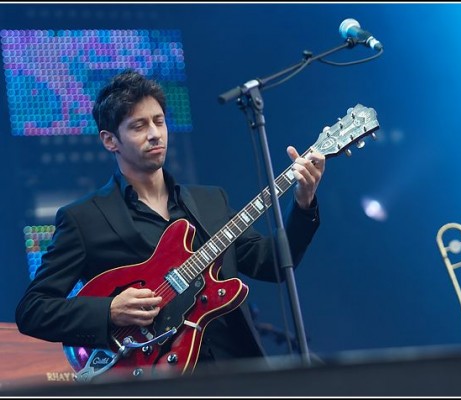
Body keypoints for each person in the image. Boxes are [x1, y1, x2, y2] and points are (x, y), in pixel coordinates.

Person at [15, 69, 326, 380]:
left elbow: (271, 264)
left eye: (159, 121)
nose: (155, 134)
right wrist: (108, 311)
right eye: (139, 126)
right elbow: (34, 310)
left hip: (236, 371)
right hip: (154, 377)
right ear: (110, 140)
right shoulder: (84, 218)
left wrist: (303, 202)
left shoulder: (210, 202)